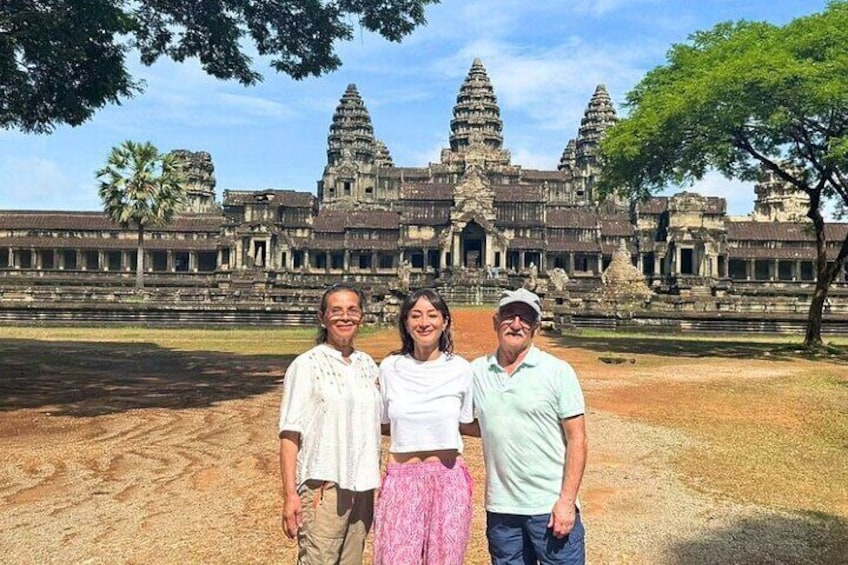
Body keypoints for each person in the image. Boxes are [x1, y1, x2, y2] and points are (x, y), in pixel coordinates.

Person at [469, 288, 588, 565]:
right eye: (509, 316)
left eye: (525, 317)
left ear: (535, 326)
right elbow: (468, 421)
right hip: (501, 509)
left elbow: (577, 439)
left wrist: (567, 502)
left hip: (548, 506)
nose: (516, 323)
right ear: (495, 322)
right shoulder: (476, 371)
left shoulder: (557, 371)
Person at [277, 283, 382, 565]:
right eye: (336, 311)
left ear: (362, 316)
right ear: (322, 317)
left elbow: (381, 422)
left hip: (363, 486)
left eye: (352, 310)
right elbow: (289, 434)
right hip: (324, 486)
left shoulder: (368, 364)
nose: (345, 317)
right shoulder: (307, 365)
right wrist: (290, 496)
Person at [373, 288, 475, 565]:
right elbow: (383, 423)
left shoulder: (462, 370)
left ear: (445, 322)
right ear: (405, 323)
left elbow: (467, 421)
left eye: (432, 315)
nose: (424, 322)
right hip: (401, 479)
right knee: (395, 559)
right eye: (415, 315)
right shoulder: (390, 368)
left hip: (448, 479)